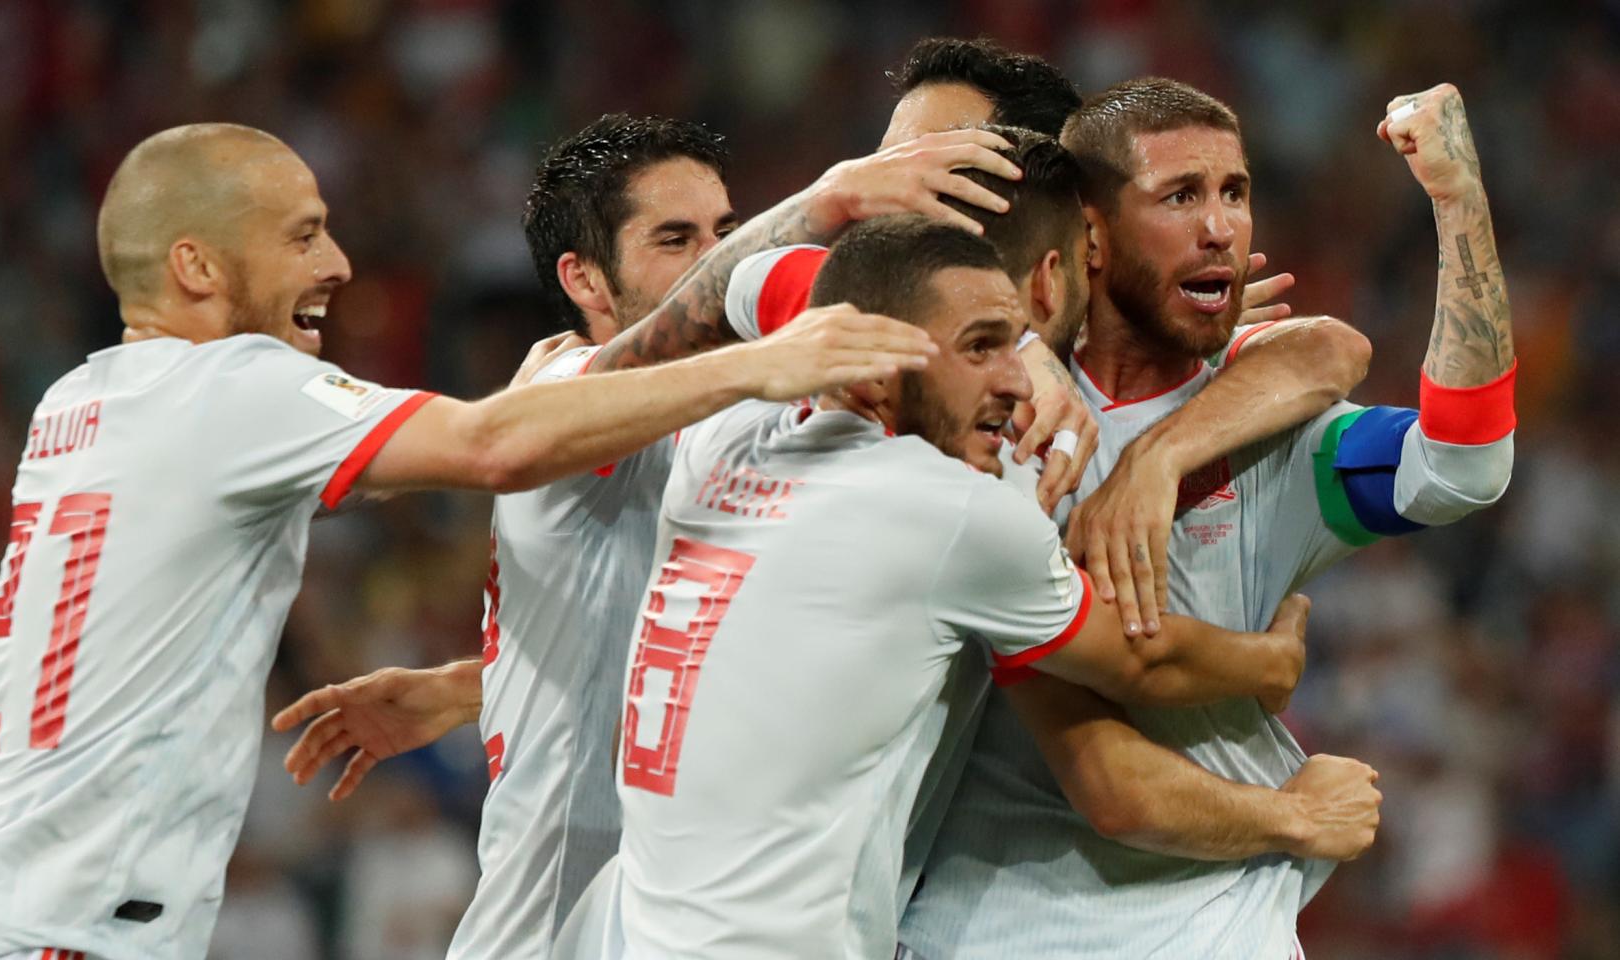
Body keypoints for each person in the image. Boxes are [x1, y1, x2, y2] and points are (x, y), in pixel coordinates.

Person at [0, 122, 940, 960]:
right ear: (196, 264)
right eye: (301, 234)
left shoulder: (81, 399)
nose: (338, 262)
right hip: (57, 933)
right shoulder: (231, 388)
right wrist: (764, 354)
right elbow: (495, 442)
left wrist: (473, 685)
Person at [269, 118, 1024, 960]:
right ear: (584, 279)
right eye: (675, 239)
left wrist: (482, 683)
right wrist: (829, 201)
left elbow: (684, 636)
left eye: (725, 233)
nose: (714, 260)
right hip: (555, 935)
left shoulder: (734, 420)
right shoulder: (562, 387)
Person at [554, 214, 1322, 960]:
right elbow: (1142, 662)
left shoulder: (722, 433)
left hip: (617, 930)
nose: (1019, 379)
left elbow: (744, 279)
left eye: (1018, 343)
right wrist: (1273, 664)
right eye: (982, 347)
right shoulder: (950, 508)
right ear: (877, 362)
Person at [896, 79, 1516, 959]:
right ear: (1091, 235)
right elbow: (1112, 774)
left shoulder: (1277, 434)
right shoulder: (995, 415)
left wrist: (1457, 204)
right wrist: (1280, 734)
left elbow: (1466, 464)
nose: (1219, 225)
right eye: (1179, 196)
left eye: (1235, 192)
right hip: (992, 926)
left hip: (1221, 931)